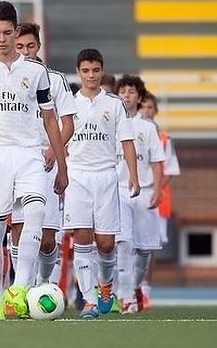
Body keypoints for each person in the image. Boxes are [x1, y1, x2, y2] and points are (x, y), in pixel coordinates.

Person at [0, 1, 68, 321]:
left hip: (29, 153)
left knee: (35, 210)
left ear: (16, 31)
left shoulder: (36, 72)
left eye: (8, 32)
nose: (3, 39)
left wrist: (62, 166)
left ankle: (18, 290)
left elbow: (51, 120)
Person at [64, 49, 139, 318]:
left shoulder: (114, 104)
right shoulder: (69, 103)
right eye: (86, 70)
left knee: (106, 243)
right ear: (78, 72)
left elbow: (127, 141)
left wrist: (133, 175)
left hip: (106, 176)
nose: (91, 75)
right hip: (78, 175)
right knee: (82, 238)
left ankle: (105, 285)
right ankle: (88, 300)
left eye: (96, 70)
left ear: (102, 71)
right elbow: (60, 140)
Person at [12, 22, 77, 290]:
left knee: (47, 239)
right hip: (18, 160)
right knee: (18, 231)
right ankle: (21, 290)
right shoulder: (8, 78)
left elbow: (68, 124)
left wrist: (53, 150)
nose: (26, 51)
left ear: (39, 46)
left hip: (47, 163)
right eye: (20, 46)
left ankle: (43, 283)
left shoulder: (55, 80)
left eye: (30, 46)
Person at [114, 75, 165, 314]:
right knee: (123, 243)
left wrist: (156, 189)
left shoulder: (147, 127)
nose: (126, 95)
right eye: (122, 90)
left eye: (131, 91)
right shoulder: (111, 123)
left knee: (144, 250)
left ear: (139, 96)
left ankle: (134, 287)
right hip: (119, 189)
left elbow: (156, 161)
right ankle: (126, 299)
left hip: (143, 192)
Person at [138, 91, 180, 310]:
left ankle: (145, 289)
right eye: (142, 107)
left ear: (155, 111)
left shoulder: (163, 138)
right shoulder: (130, 132)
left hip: (155, 200)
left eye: (149, 107)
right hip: (133, 196)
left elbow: (170, 170)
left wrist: (155, 188)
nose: (146, 111)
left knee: (150, 246)